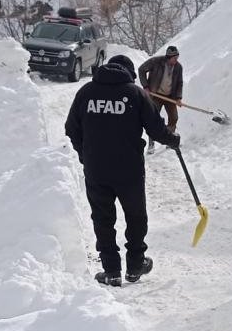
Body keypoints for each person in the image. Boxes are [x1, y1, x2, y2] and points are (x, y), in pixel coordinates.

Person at [66, 54, 181, 286]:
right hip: (129, 170)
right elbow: (156, 128)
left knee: (102, 219)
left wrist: (85, 155)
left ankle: (111, 271)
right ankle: (136, 264)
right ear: (129, 73)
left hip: (96, 169)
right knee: (136, 216)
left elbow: (71, 128)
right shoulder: (135, 94)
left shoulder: (86, 93)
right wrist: (173, 139)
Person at [138, 45, 184, 151]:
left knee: (174, 118)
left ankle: (170, 140)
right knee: (153, 119)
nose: (176, 60)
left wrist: (178, 97)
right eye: (174, 58)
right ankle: (151, 144)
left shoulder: (178, 67)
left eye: (177, 57)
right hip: (155, 95)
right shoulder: (156, 62)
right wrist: (146, 86)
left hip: (170, 96)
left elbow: (179, 83)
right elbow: (141, 70)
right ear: (168, 57)